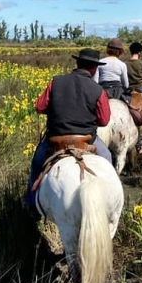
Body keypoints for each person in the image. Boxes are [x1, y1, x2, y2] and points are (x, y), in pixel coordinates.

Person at [26, 48, 114, 217]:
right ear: (95, 68)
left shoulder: (56, 82)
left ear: (77, 63)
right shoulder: (97, 90)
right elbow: (103, 120)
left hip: (56, 139)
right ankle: (110, 200)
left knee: (37, 164)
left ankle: (32, 202)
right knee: (108, 157)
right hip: (86, 140)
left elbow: (39, 106)